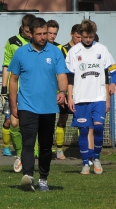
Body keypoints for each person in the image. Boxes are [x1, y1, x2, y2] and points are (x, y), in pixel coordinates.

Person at [8, 17, 68, 191]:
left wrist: (62, 92)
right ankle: (28, 176)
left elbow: (62, 75)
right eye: (39, 34)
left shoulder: (55, 52)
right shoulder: (20, 53)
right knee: (28, 142)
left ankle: (43, 178)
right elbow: (13, 80)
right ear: (31, 34)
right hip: (26, 105)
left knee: (46, 145)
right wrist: (14, 105)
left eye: (45, 33)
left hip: (48, 107)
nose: (43, 37)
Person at [66, 19, 116, 175]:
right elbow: (69, 77)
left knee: (98, 127)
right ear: (80, 35)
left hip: (99, 97)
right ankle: (85, 163)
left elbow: (114, 72)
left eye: (91, 37)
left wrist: (113, 84)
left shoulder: (102, 50)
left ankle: (96, 158)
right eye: (85, 37)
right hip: (81, 98)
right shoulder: (74, 52)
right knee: (83, 131)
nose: (88, 40)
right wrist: (70, 97)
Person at [0, 13, 36, 172]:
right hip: (15, 89)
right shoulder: (12, 42)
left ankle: (33, 154)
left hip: (32, 90)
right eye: (28, 31)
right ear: (23, 28)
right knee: (14, 123)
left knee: (33, 123)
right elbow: (6, 65)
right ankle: (20, 154)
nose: (30, 35)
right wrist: (3, 88)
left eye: (32, 32)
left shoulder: (38, 43)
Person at [53, 24, 81, 160]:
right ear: (71, 34)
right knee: (63, 117)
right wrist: (62, 91)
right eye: (77, 36)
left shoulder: (84, 50)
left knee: (81, 119)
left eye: (81, 37)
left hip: (80, 90)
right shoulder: (62, 49)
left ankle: (83, 149)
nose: (80, 39)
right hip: (65, 89)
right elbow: (61, 71)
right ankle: (59, 149)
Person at [46, 19, 68, 159]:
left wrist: (64, 91)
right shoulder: (39, 48)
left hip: (59, 92)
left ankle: (59, 149)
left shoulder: (61, 49)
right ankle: (43, 149)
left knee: (62, 118)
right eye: (50, 33)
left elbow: (65, 72)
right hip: (45, 91)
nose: (53, 36)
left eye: (55, 33)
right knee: (45, 122)